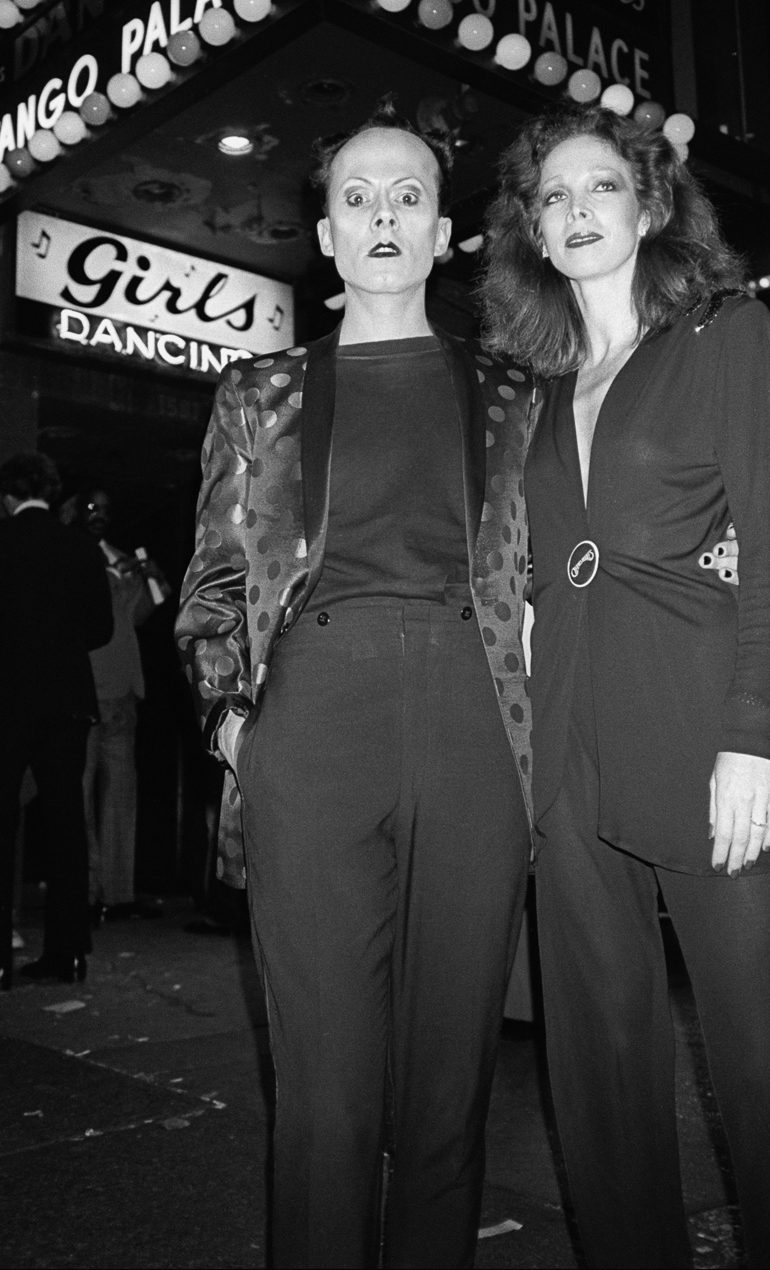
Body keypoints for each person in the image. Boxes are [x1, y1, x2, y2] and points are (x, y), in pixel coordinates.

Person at [480, 102, 770, 1268]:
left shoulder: (717, 330)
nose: (576, 211)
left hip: (701, 726)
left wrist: (751, 730)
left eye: (599, 188)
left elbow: (766, 538)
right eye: (552, 197)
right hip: (567, 737)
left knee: (765, 1060)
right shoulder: (530, 387)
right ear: (532, 233)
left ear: (646, 207)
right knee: (597, 1066)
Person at [176, 98, 536, 1269]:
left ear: (443, 236)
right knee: (326, 1090)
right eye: (356, 198)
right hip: (313, 715)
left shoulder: (514, 393)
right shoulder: (260, 393)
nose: (383, 215)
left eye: (409, 196)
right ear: (325, 237)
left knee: (446, 1089)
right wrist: (241, 731)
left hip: (476, 717)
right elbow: (213, 586)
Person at [0, 453, 113, 992]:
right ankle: (69, 953)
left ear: (7, 495)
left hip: (8, 700)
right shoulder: (81, 547)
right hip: (68, 702)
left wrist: (5, 653)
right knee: (65, 823)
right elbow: (102, 628)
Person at [68, 485, 170, 921]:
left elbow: (151, 608)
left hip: (124, 694)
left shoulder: (119, 558)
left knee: (121, 797)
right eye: (90, 507)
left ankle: (117, 895)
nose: (98, 515)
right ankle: (84, 892)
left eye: (105, 509)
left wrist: (151, 570)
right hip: (83, 692)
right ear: (74, 510)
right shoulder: (68, 556)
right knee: (78, 795)